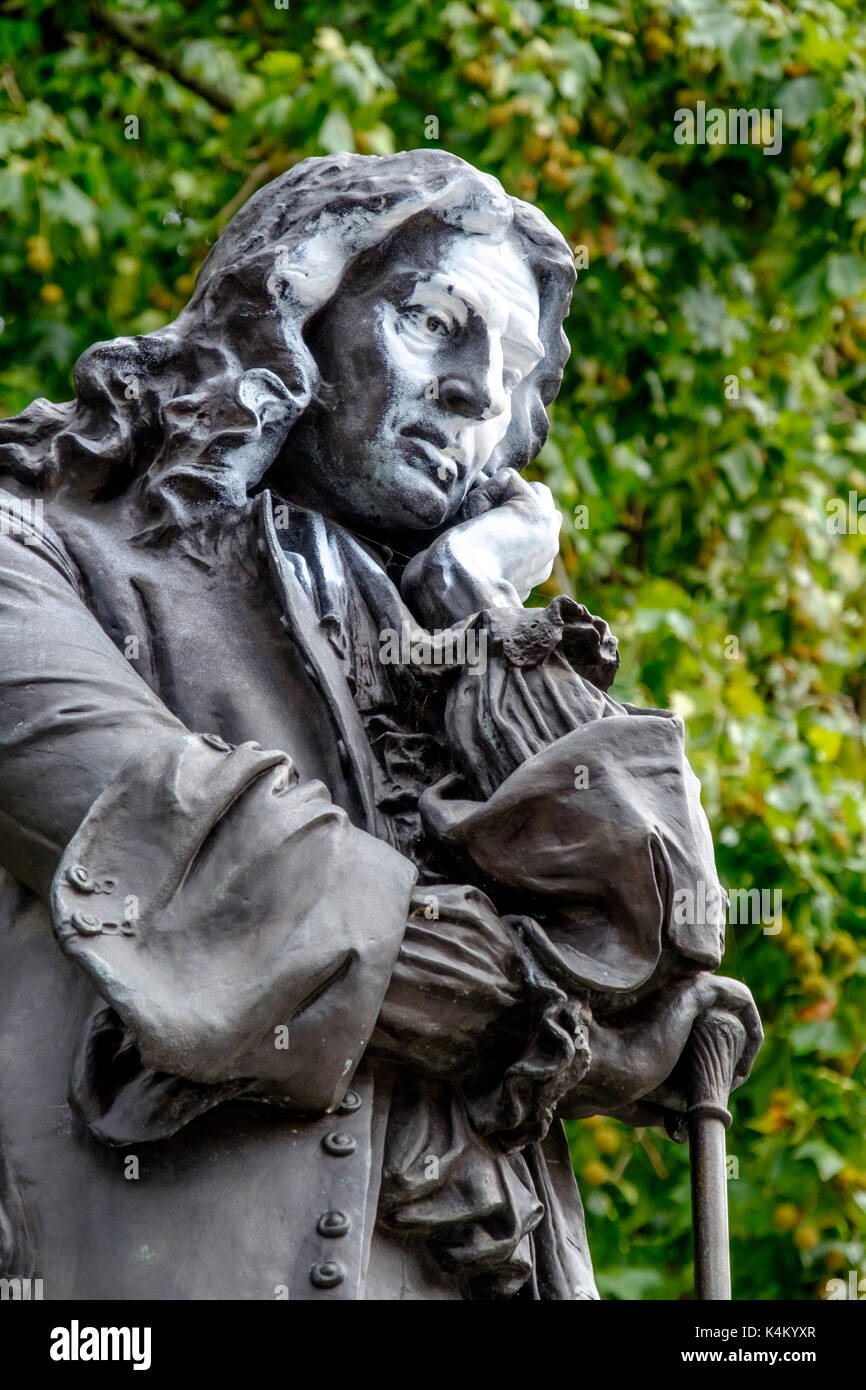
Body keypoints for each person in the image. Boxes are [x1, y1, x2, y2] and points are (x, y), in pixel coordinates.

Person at [0, 149, 760, 1300]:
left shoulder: (464, 658)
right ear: (292, 323)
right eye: (434, 323)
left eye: (506, 370)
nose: (473, 391)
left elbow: (663, 944)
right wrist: (503, 1004)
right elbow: (140, 810)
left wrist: (481, 617)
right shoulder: (46, 550)